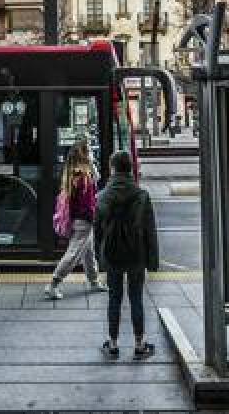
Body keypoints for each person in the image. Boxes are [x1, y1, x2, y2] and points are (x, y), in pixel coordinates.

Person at [94, 150, 159, 359]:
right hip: (136, 254)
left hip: (113, 254)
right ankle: (139, 345)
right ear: (131, 168)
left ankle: (112, 344)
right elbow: (150, 231)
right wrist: (152, 261)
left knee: (114, 298)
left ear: (113, 169)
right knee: (136, 298)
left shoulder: (102, 196)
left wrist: (100, 259)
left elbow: (98, 231)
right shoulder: (142, 196)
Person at [45, 144, 106, 299]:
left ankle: (94, 281)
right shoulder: (84, 178)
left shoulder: (74, 174)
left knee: (89, 253)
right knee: (74, 254)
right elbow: (87, 204)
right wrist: (94, 217)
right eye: (90, 152)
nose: (93, 154)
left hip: (78, 219)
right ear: (84, 157)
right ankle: (53, 284)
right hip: (84, 221)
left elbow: (96, 177)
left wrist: (91, 164)